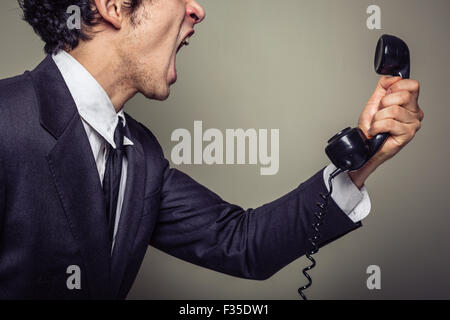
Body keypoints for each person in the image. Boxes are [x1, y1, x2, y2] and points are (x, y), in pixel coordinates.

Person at [0, 0, 423, 299]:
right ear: (113, 6)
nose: (197, 9)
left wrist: (360, 162)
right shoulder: (6, 120)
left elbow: (240, 243)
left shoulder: (141, 154)